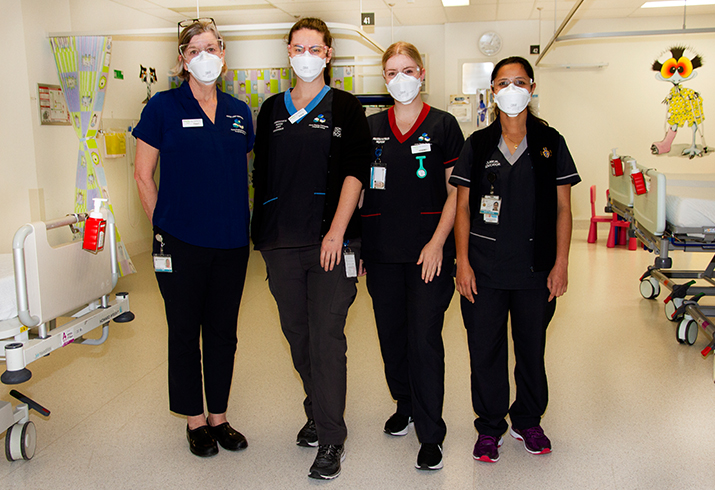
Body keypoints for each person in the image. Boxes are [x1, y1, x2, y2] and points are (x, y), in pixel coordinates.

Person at [250, 17, 371, 480]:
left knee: (326, 339)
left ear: (328, 54)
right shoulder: (270, 110)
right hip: (282, 242)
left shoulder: (346, 108)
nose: (306, 55)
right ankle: (317, 409)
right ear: (288, 50)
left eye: (314, 48)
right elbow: (262, 177)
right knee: (298, 337)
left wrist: (337, 233)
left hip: (332, 242)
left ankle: (332, 438)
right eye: (298, 46)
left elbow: (355, 174)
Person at [133, 18, 254, 458]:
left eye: (213, 47)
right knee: (184, 330)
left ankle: (219, 416)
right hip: (180, 241)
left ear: (223, 54)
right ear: (182, 58)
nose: (206, 56)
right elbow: (143, 175)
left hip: (230, 242)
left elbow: (236, 172)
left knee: (223, 332)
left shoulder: (239, 112)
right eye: (196, 48)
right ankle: (194, 419)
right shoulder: (162, 108)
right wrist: (162, 227)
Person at [450, 56, 580, 463]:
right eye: (503, 83)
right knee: (485, 350)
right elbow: (463, 209)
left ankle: (528, 420)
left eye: (518, 81)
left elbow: (563, 208)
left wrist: (561, 264)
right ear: (492, 92)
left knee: (531, 348)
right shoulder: (477, 144)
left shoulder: (550, 142)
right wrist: (463, 262)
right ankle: (490, 427)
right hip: (484, 269)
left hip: (535, 270)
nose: (511, 90)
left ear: (532, 86)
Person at [360, 42, 463, 471]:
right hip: (382, 251)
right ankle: (403, 402)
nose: (400, 78)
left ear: (422, 73)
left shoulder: (442, 125)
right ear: (384, 78)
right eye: (392, 72)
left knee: (423, 338)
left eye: (407, 70)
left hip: (428, 252)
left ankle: (430, 431)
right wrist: (360, 246)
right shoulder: (370, 127)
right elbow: (360, 189)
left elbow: (457, 192)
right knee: (391, 336)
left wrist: (438, 242)